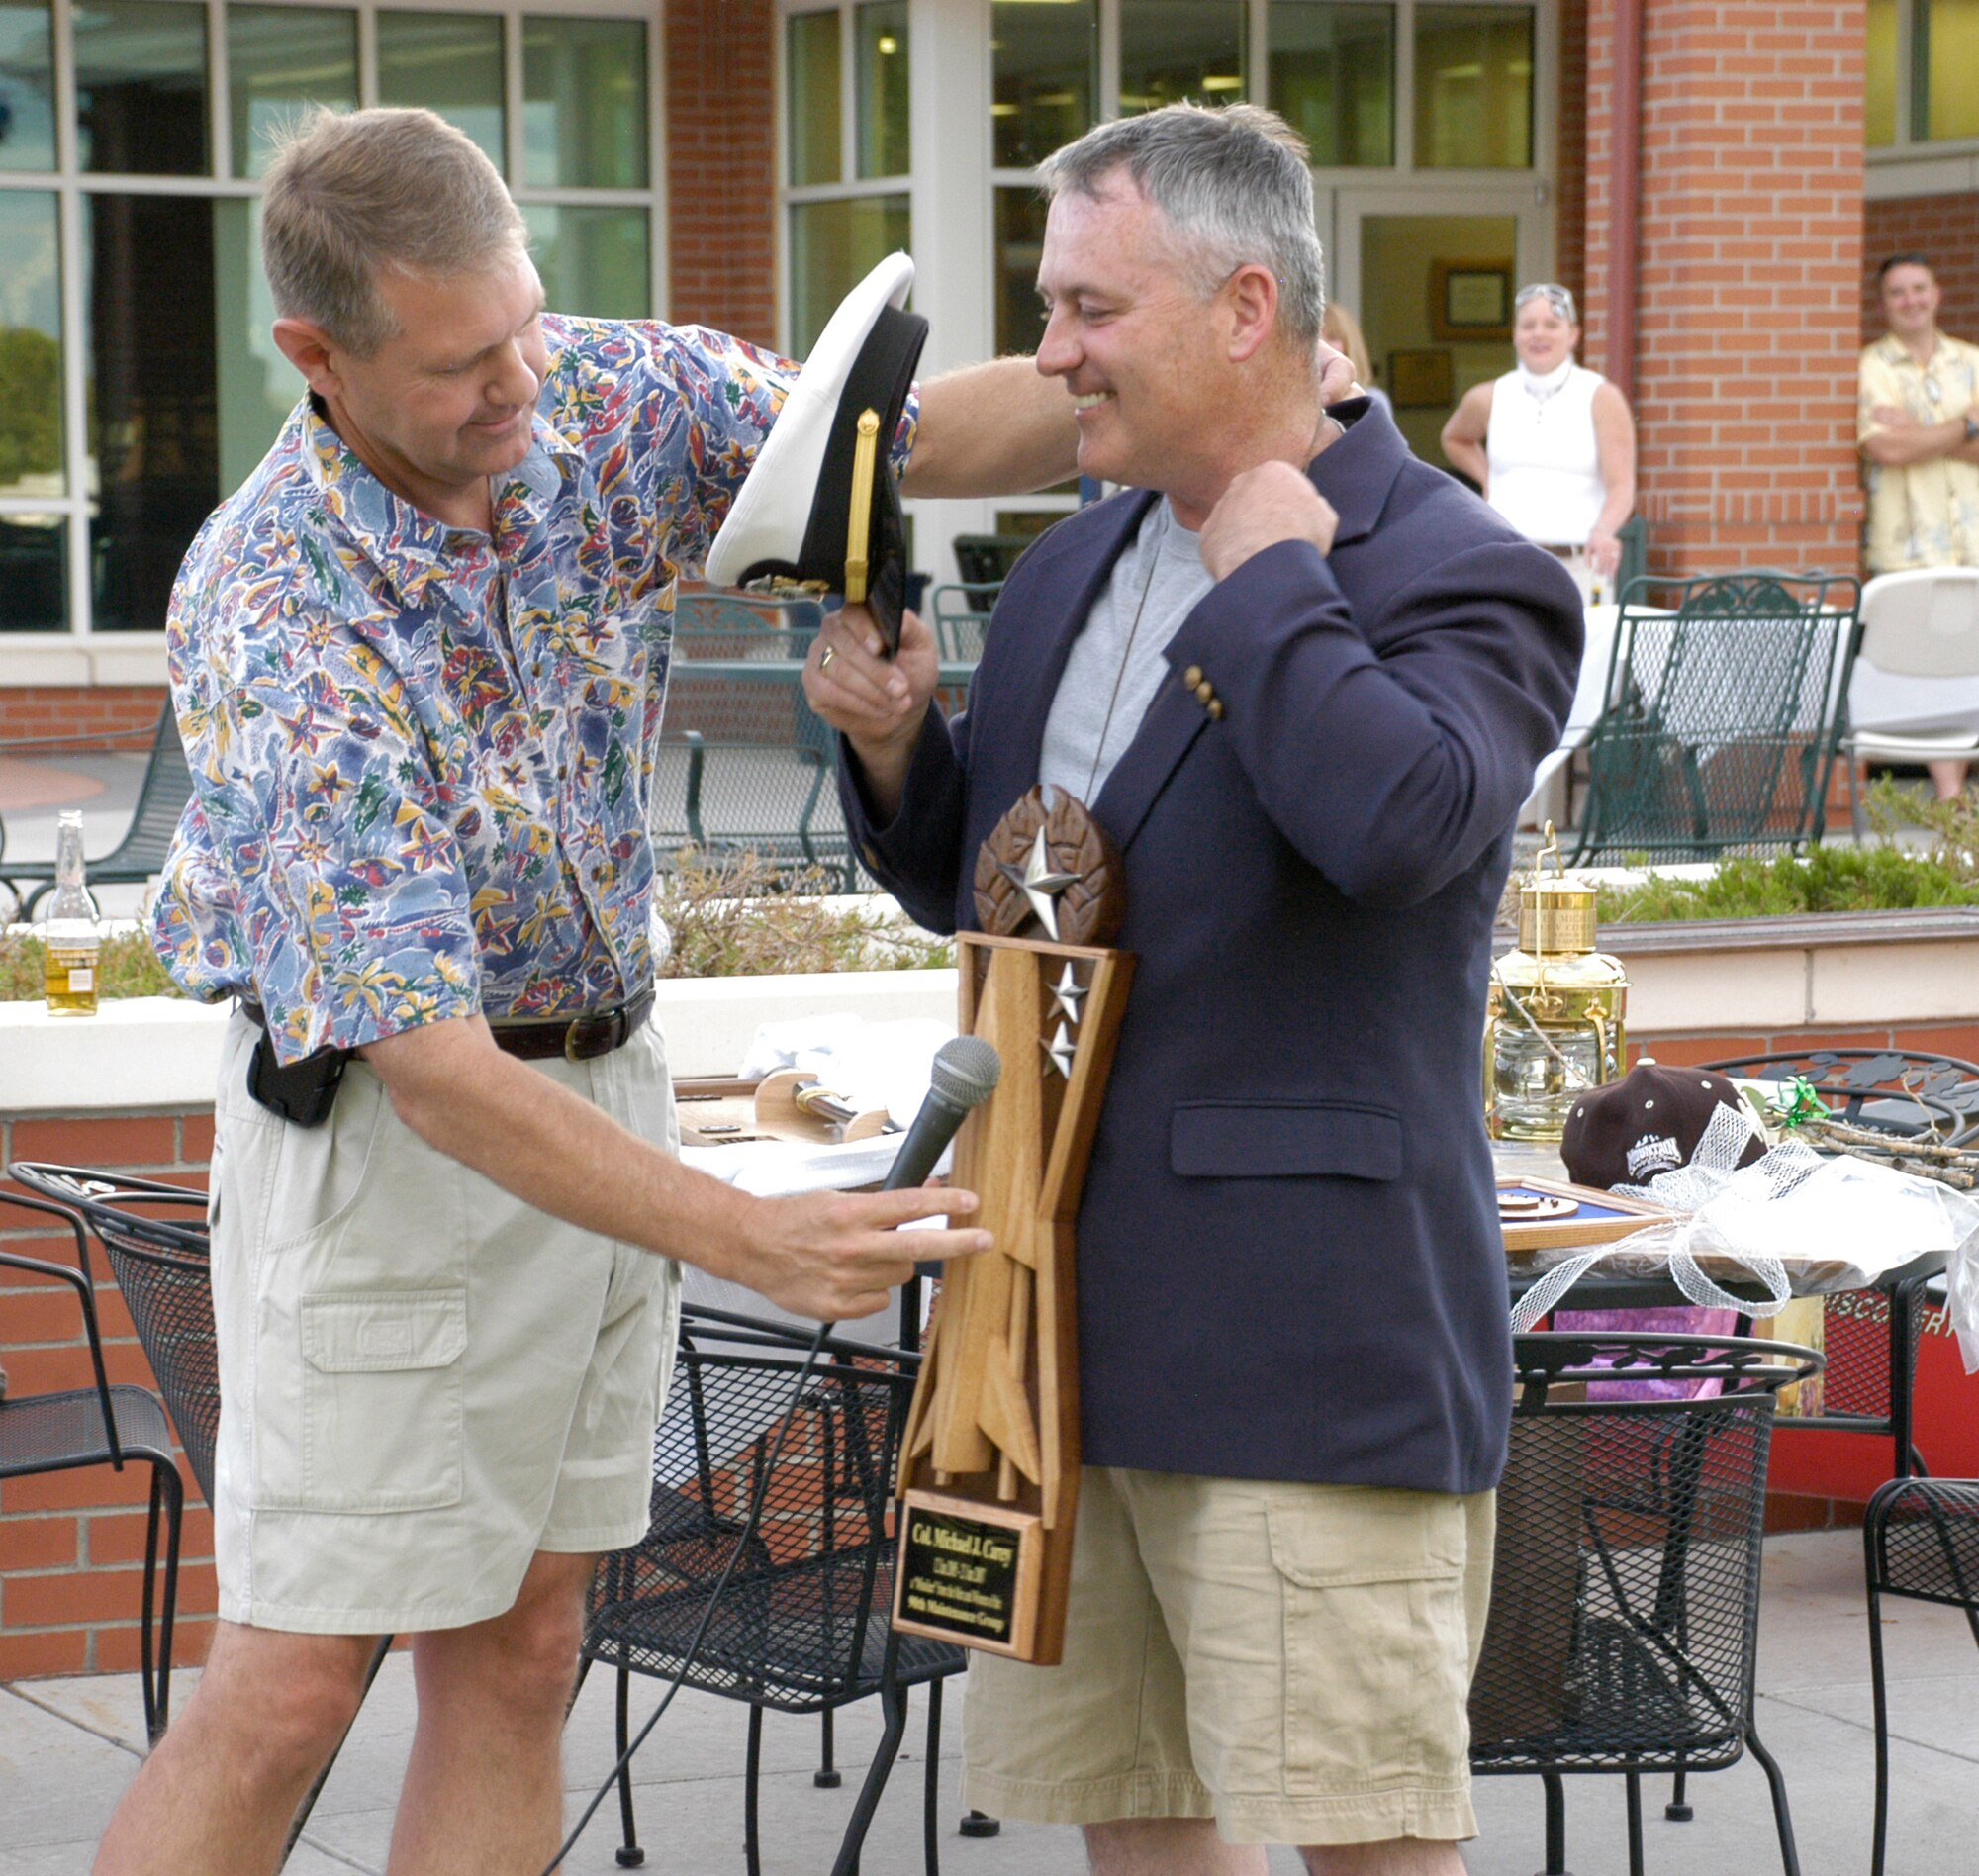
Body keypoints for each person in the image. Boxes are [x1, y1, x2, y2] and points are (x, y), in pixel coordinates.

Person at [103, 106, 1078, 1876]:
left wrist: (1143, 372)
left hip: (605, 1098)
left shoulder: (603, 395)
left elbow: (915, 438)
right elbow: (435, 1068)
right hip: (401, 1152)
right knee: (296, 1682)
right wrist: (749, 1236)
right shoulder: (275, 605)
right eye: (461, 362)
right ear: (313, 356)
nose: (517, 384)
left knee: (528, 1647)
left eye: (528, 322)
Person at [807, 103, 1580, 1875]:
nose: (1051, 357)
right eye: (1048, 307)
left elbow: (1397, 829)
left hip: (1308, 1349)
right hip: (1048, 1344)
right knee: (1135, 1831)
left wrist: (1273, 582)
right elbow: (1013, 894)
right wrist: (903, 747)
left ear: (1246, 310)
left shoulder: (1468, 572)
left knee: (1366, 1843)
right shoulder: (1073, 559)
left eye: (1086, 310)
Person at [1857, 251, 1979, 797]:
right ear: (1884, 304)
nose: (1911, 300)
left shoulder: (1971, 362)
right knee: (1928, 675)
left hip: (1971, 541)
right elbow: (1886, 447)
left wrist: (1923, 432)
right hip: (1907, 549)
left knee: (1969, 670)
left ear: (1937, 293)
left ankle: (1954, 800)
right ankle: (1952, 800)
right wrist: (1968, 424)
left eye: (1919, 288)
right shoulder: (1872, 367)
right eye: (1898, 292)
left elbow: (1909, 444)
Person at [1440, 281, 1637, 603]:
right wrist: (1488, 478)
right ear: (1515, 335)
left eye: (1551, 325)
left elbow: (1622, 485)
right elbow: (1454, 438)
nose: (1538, 335)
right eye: (1528, 325)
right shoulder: (1490, 396)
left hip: (1577, 566)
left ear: (1573, 334)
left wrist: (1604, 531)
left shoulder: (1601, 396)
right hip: (1506, 560)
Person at [1321, 300, 1390, 414]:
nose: (1323, 344)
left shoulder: (1372, 400)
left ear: (1349, 344)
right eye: (1315, 337)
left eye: (1332, 337)